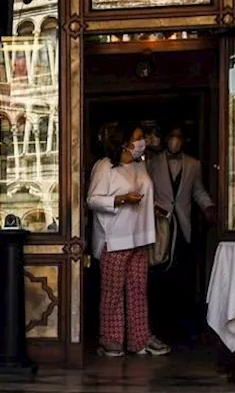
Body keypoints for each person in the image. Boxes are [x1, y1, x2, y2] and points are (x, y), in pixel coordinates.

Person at [87, 123, 169, 358]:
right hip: (114, 239)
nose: (144, 141)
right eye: (139, 137)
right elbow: (92, 200)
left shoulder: (140, 164)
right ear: (124, 142)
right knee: (113, 292)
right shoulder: (105, 166)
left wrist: (153, 207)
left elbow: (144, 194)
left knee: (138, 291)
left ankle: (140, 339)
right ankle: (111, 341)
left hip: (139, 236)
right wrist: (120, 199)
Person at [147, 126, 215, 341]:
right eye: (172, 136)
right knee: (159, 272)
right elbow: (146, 191)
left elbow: (198, 190)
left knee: (182, 275)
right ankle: (158, 324)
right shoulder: (152, 162)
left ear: (183, 140)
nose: (175, 140)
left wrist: (209, 208)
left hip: (183, 227)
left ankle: (181, 326)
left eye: (179, 137)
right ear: (167, 139)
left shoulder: (193, 164)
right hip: (161, 226)